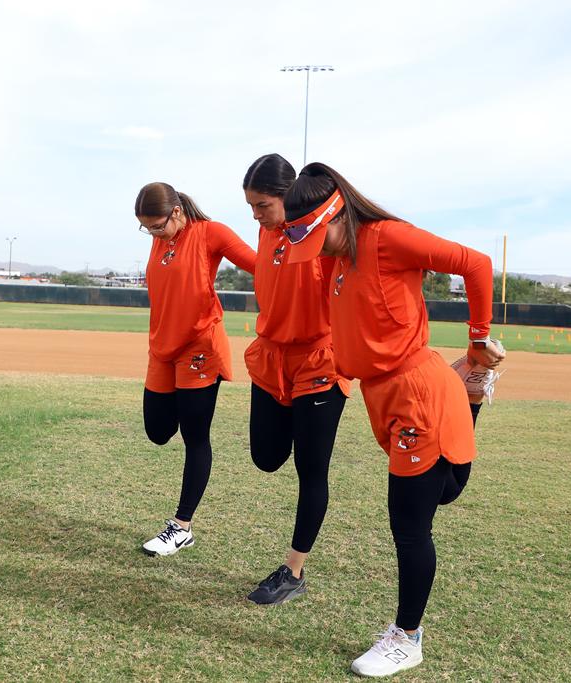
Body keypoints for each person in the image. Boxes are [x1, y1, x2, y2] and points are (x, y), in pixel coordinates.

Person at [282, 163, 504, 678]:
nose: (318, 252)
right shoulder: (338, 259)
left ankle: (408, 638)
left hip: (415, 393)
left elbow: (475, 262)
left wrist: (477, 338)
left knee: (409, 524)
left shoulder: (388, 238)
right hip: (386, 395)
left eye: (320, 238)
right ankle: (469, 393)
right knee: (441, 492)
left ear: (338, 213)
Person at [240, 154, 350, 605]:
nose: (256, 215)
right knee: (266, 457)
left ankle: (293, 569)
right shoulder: (266, 232)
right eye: (250, 206)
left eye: (263, 205)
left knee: (311, 469)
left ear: (289, 198)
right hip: (271, 359)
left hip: (318, 363)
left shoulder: (323, 238)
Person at [135, 182, 256, 557]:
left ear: (175, 212)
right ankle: (184, 409)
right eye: (146, 228)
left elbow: (261, 265)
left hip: (200, 349)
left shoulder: (210, 233)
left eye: (156, 226)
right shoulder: (161, 240)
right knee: (157, 431)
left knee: (195, 435)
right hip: (163, 350)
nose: (152, 234)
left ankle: (181, 526)